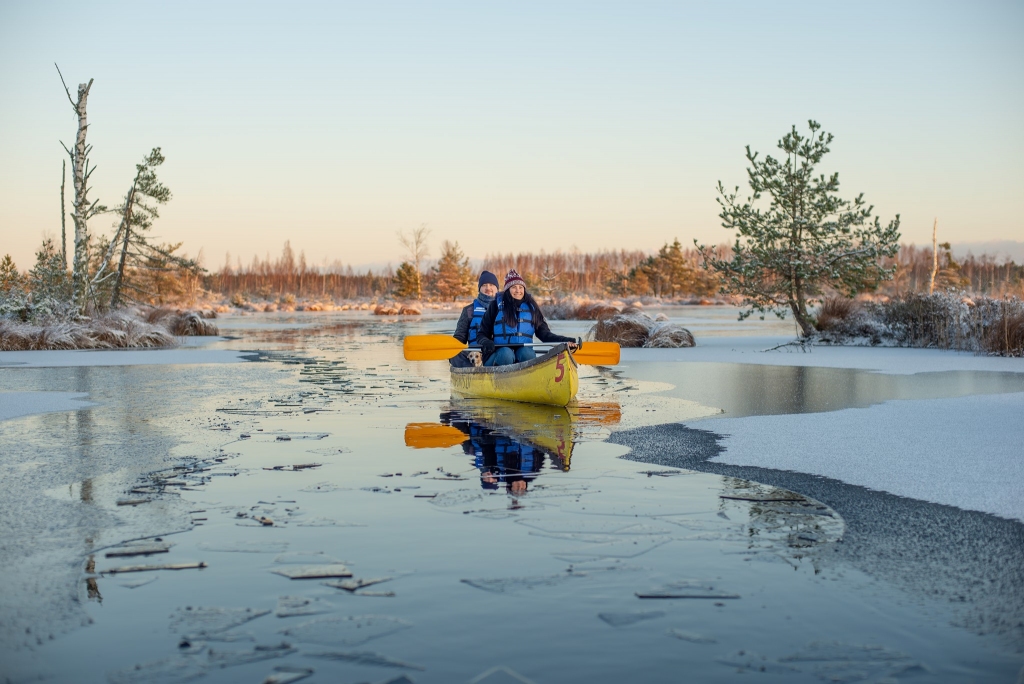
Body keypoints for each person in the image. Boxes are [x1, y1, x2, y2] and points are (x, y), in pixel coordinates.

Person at [476, 269, 579, 367]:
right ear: (507, 290)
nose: (518, 290)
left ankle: (527, 375)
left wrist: (566, 341)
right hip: (498, 356)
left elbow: (545, 335)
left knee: (526, 353)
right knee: (506, 353)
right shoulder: (495, 306)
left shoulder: (532, 307)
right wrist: (486, 342)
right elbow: (481, 334)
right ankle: (502, 377)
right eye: (514, 287)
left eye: (521, 287)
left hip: (522, 354)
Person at [450, 271, 500, 368]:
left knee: (507, 354)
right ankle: (473, 368)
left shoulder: (504, 309)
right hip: (474, 354)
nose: (488, 288)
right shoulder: (469, 310)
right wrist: (453, 347)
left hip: (496, 352)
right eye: (484, 285)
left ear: (497, 288)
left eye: (491, 285)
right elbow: (460, 337)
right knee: (455, 355)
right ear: (479, 289)